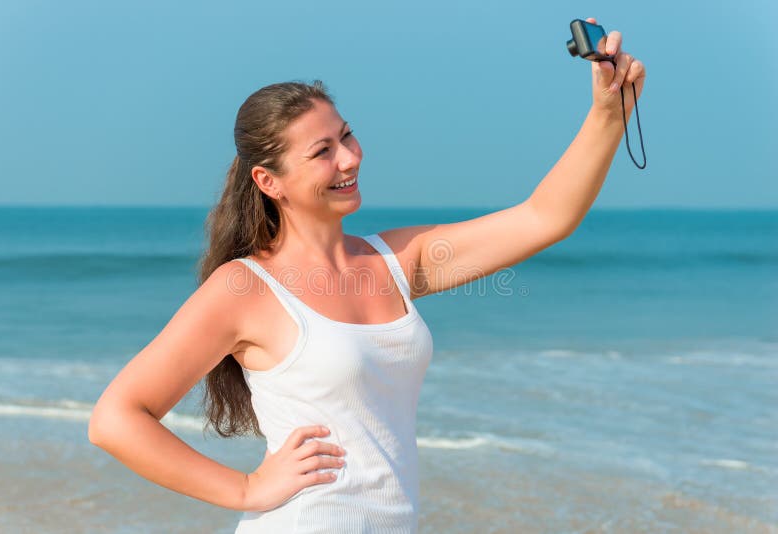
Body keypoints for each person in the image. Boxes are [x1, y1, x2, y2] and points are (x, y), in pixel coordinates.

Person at [88, 18, 645, 533]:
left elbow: (544, 217)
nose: (349, 159)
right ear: (269, 180)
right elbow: (116, 419)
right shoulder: (245, 289)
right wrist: (246, 488)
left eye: (347, 136)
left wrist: (606, 116)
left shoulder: (398, 262)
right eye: (322, 152)